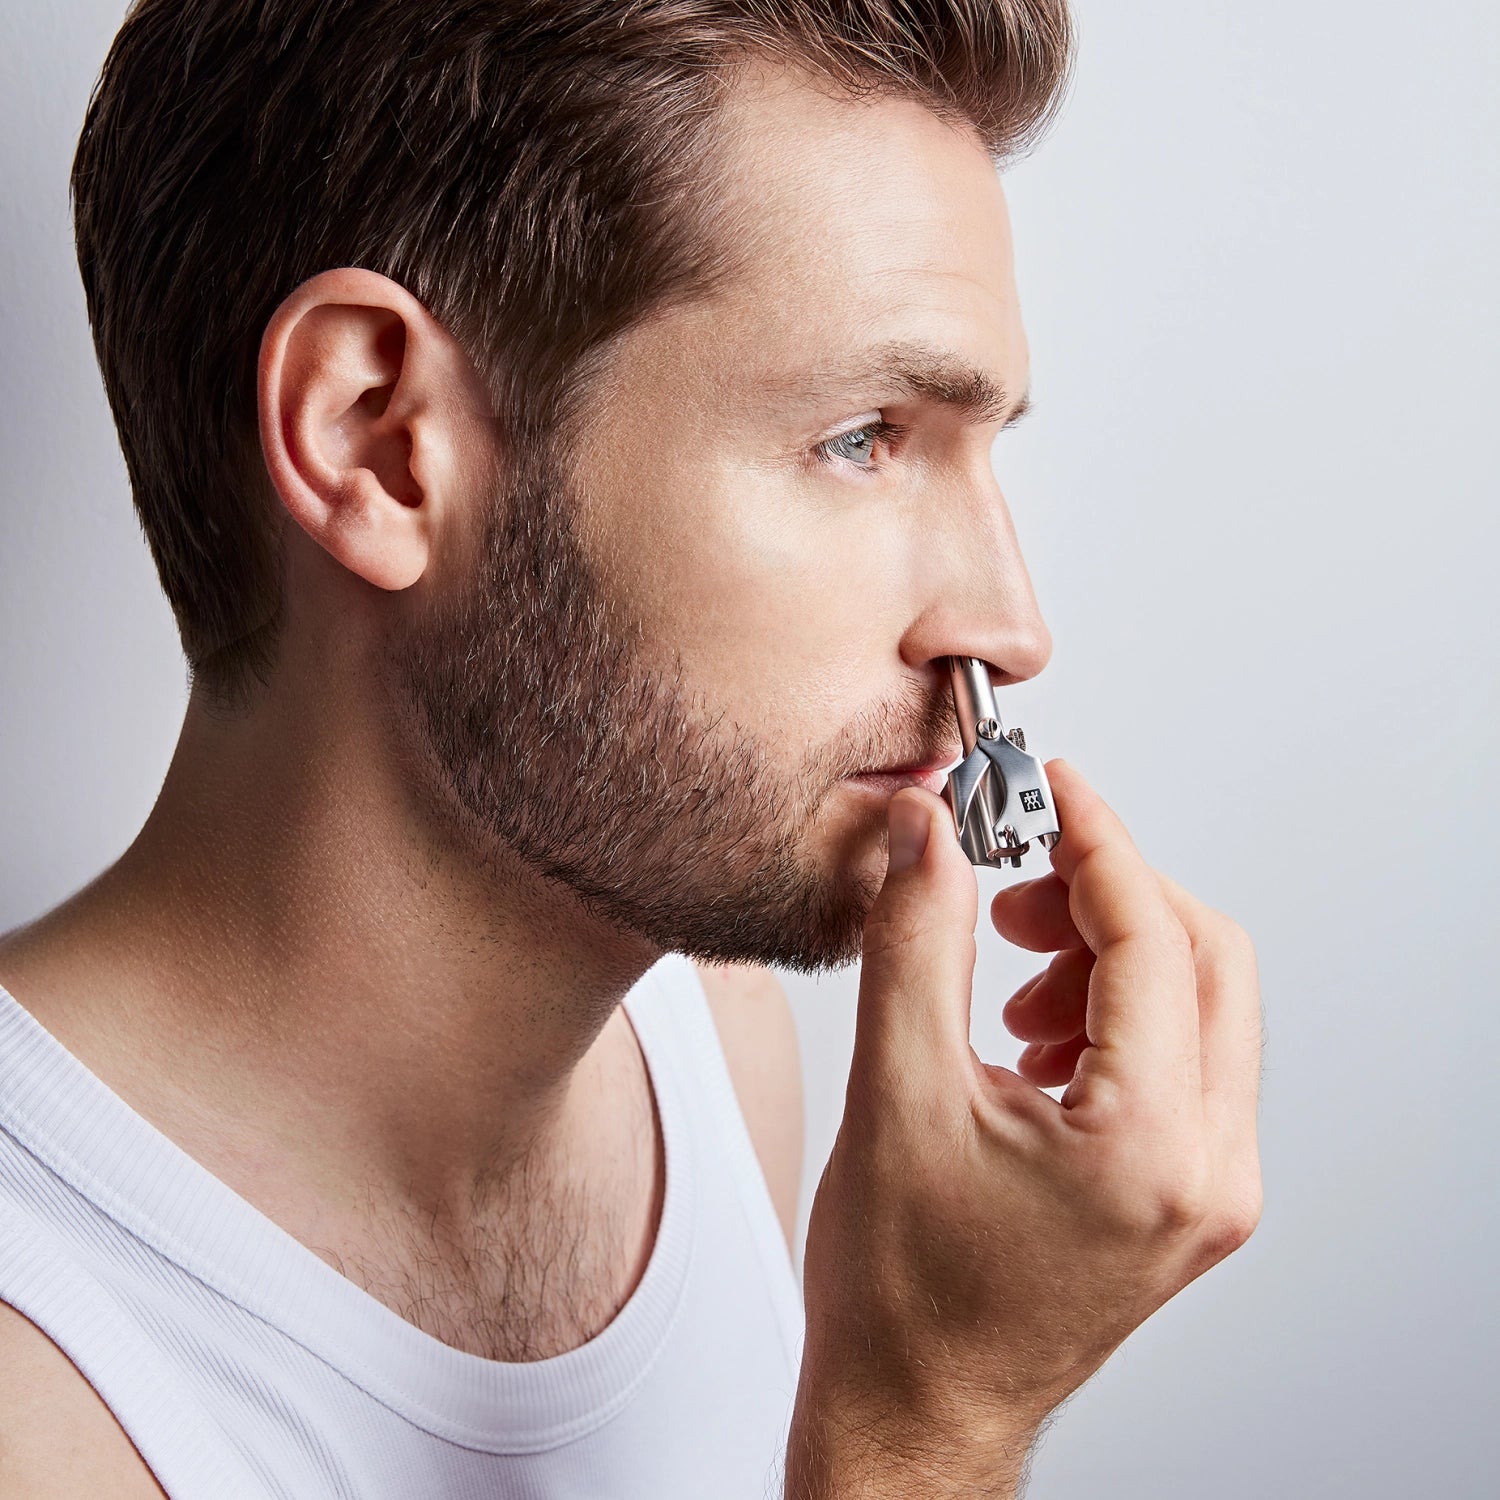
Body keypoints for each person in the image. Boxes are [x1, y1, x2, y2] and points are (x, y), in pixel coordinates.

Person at [0, 1, 1264, 1495]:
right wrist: (928, 1423)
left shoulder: (718, 1052)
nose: (1008, 626)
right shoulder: (41, 1394)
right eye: (864, 436)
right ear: (377, 440)